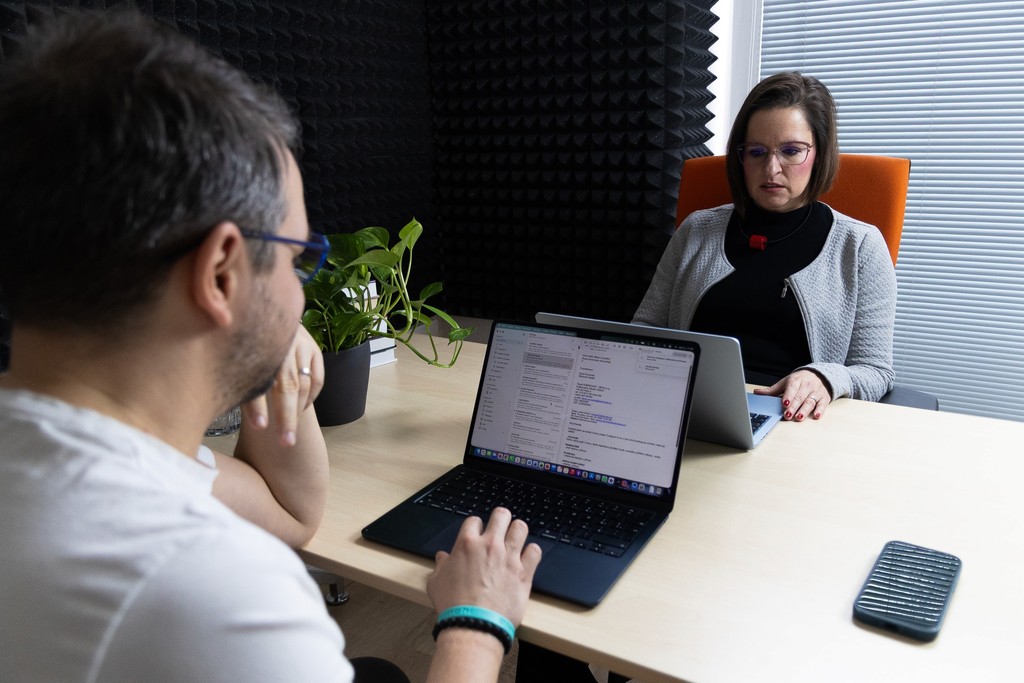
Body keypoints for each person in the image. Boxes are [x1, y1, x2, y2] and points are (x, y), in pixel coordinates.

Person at [0, 10, 541, 683]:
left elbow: (290, 513)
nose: (300, 294)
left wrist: (260, 335)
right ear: (222, 272)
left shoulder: (62, 446)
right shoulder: (212, 589)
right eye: (298, 257)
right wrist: (477, 622)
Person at [634, 71, 896, 420]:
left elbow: (875, 370)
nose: (771, 168)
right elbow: (644, 331)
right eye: (756, 152)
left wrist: (824, 377)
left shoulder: (860, 246)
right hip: (684, 411)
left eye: (791, 151)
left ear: (820, 153)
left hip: (795, 421)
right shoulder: (696, 230)